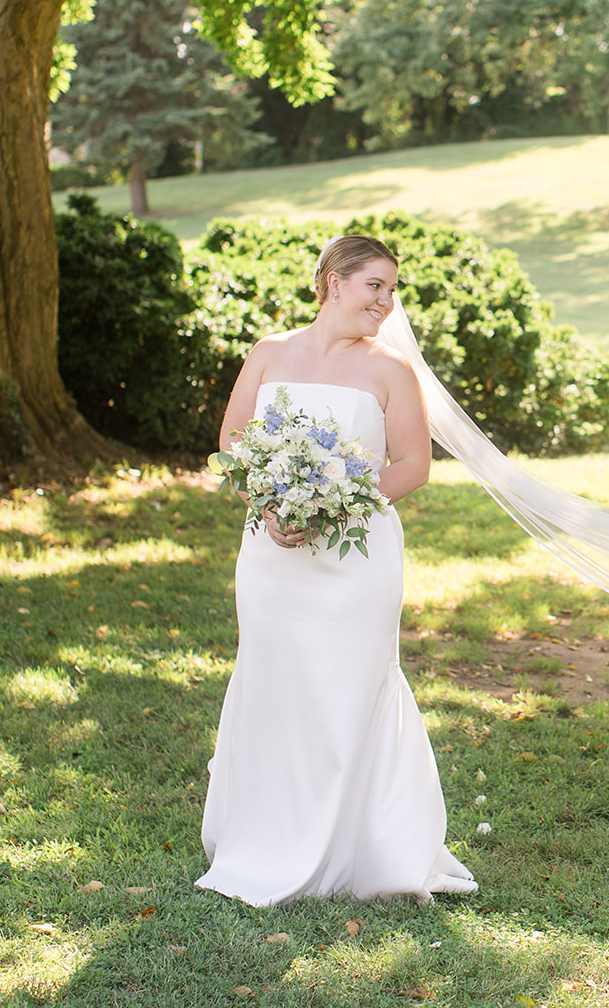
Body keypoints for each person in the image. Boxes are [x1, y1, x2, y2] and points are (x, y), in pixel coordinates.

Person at [196, 235, 477, 906]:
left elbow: (412, 465)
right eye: (373, 285)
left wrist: (335, 502)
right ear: (330, 281)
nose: (386, 302)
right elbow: (232, 442)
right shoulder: (269, 353)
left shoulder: (390, 370)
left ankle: (363, 845)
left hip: (355, 560)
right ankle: (266, 836)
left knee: (347, 686)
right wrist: (268, 502)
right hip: (271, 555)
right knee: (276, 680)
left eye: (391, 290)